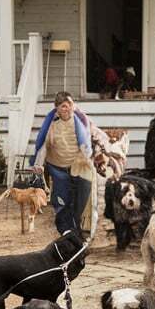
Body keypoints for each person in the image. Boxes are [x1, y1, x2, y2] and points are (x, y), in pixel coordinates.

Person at [31, 92, 93, 235]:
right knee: (61, 200)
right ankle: (65, 230)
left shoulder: (80, 121)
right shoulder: (51, 124)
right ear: (57, 108)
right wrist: (38, 166)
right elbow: (43, 145)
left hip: (77, 167)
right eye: (63, 106)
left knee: (79, 199)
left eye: (69, 105)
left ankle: (76, 228)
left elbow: (85, 144)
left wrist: (89, 159)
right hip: (58, 168)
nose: (67, 109)